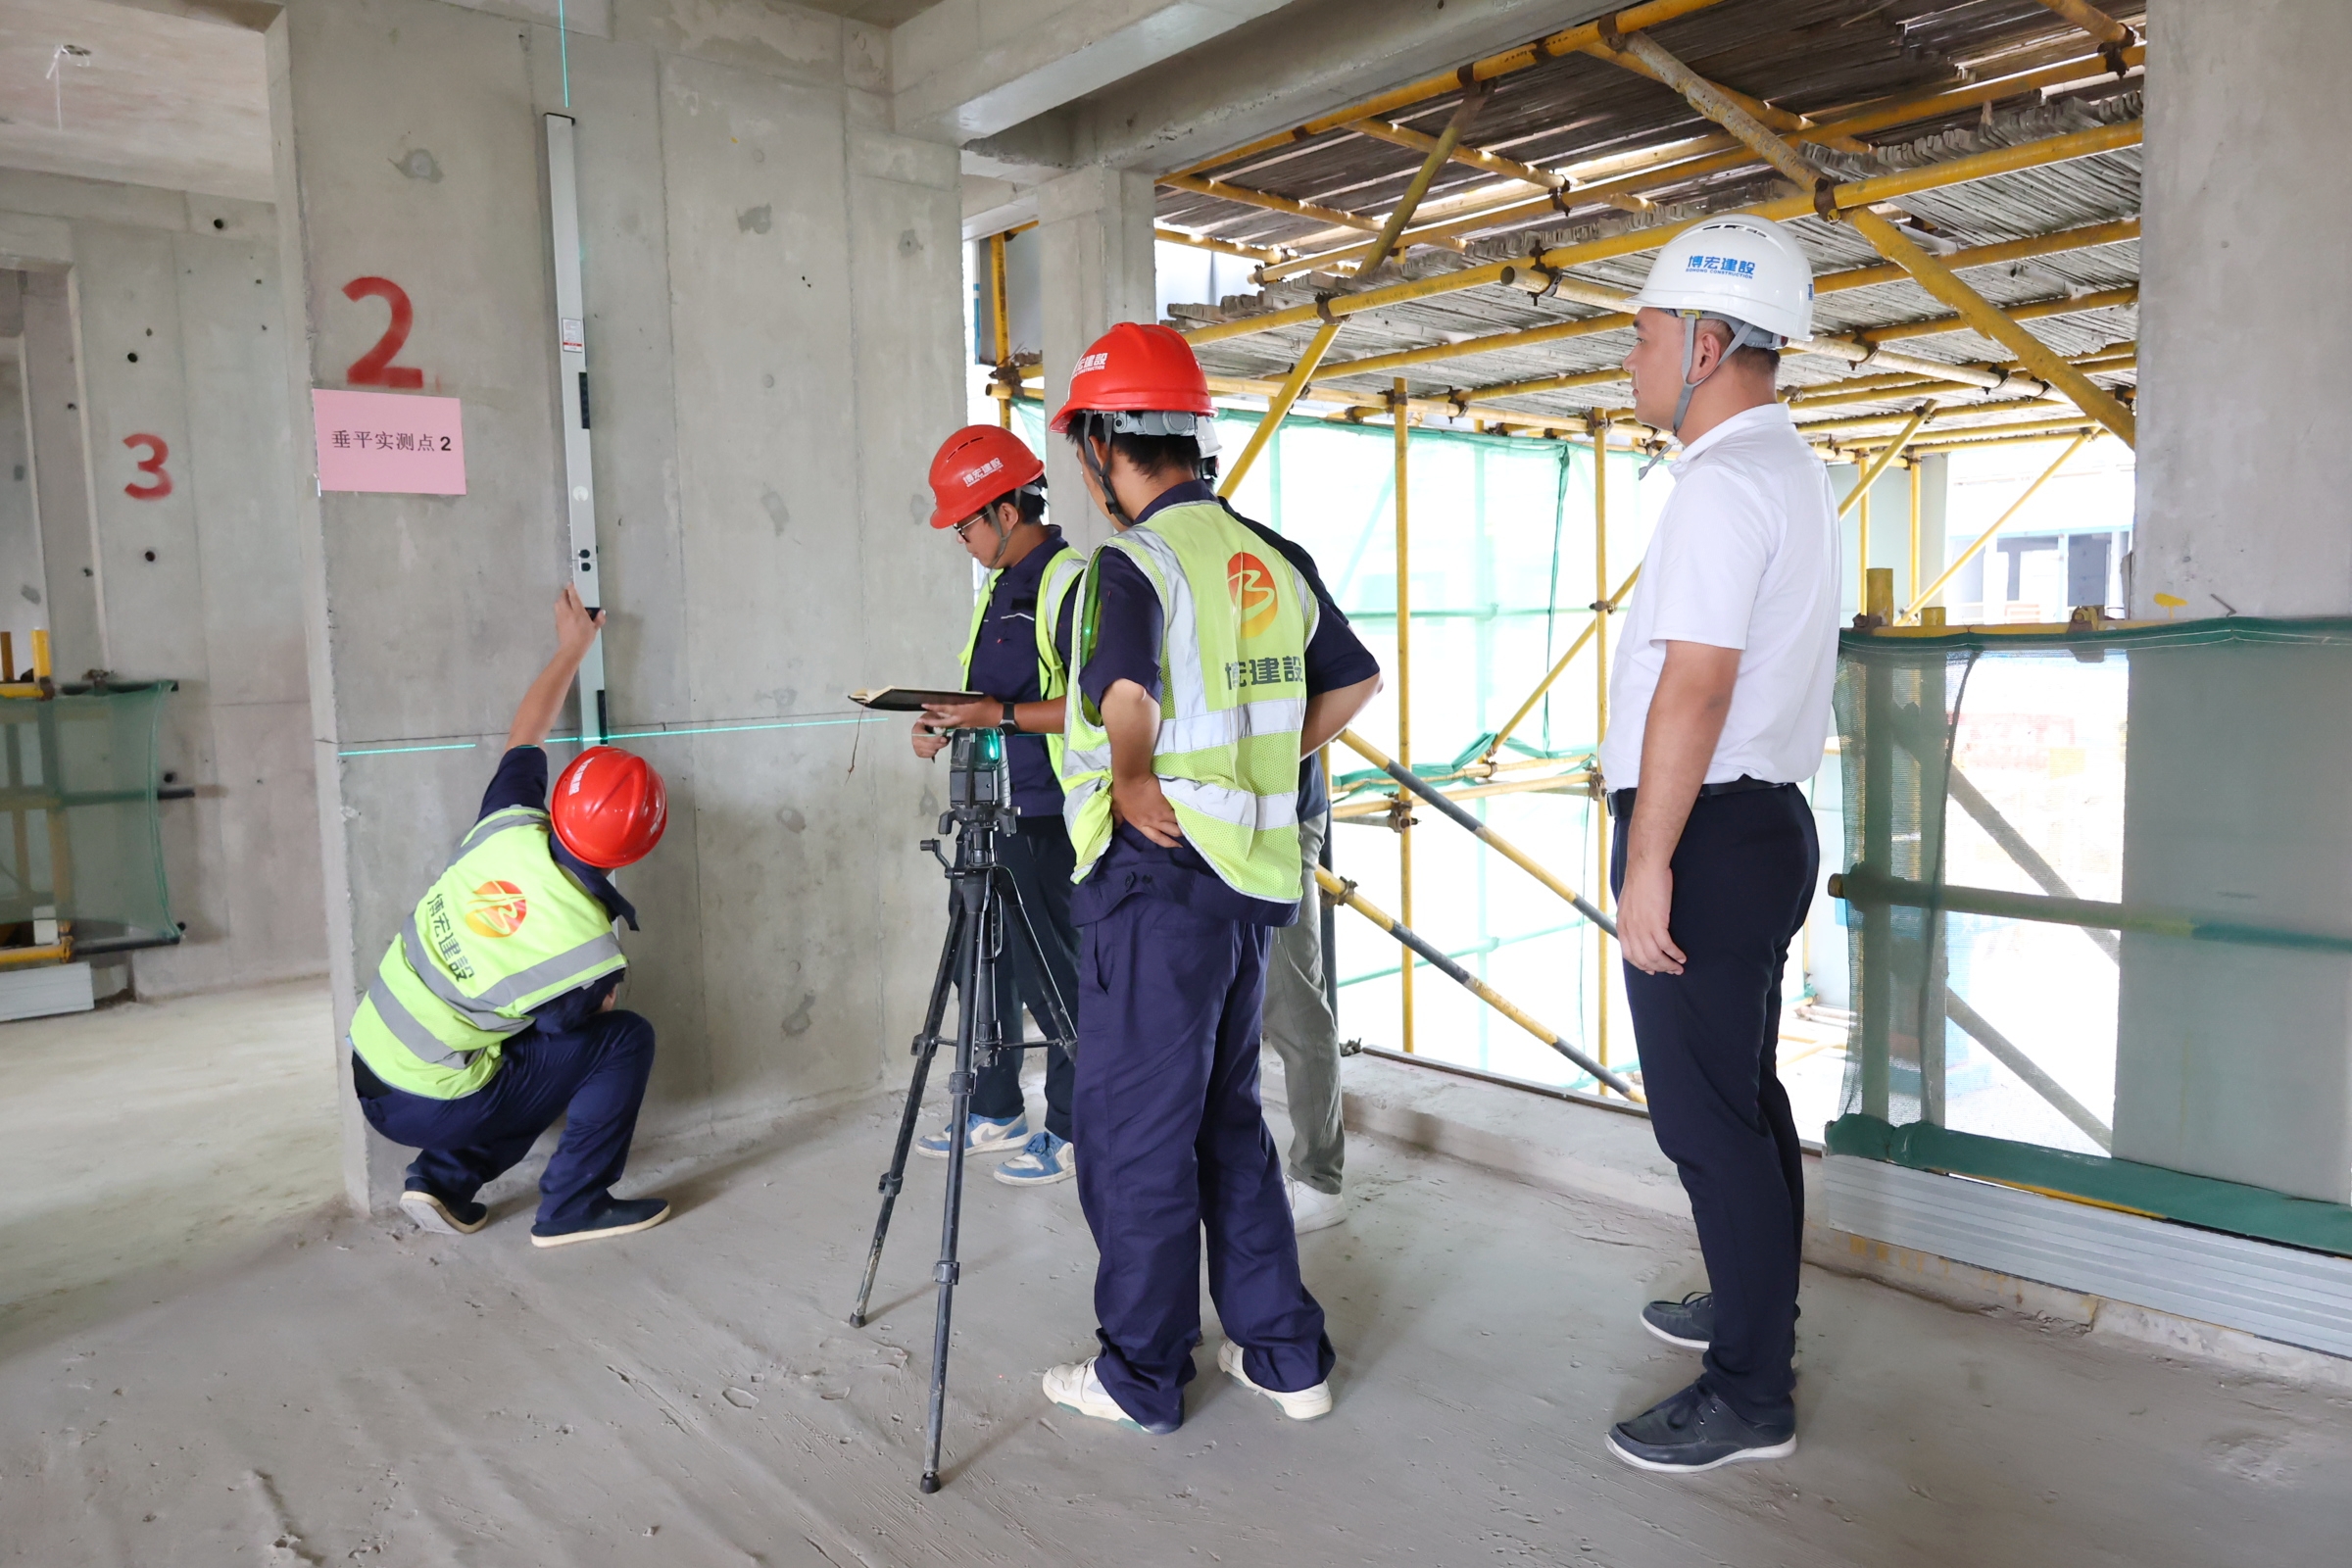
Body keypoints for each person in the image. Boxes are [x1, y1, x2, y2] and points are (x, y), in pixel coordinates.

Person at [1038, 322, 1382, 1436]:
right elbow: (1354, 681)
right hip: (1247, 888)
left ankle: (1140, 1373)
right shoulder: (1272, 556)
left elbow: (1125, 693)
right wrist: (1260, 761)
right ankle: (1282, 1355)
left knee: (1135, 1132)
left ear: (1102, 443)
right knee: (1226, 1119)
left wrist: (1137, 776)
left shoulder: (1133, 564)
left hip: (1158, 882)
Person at [1597, 215, 1838, 1472]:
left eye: (1642, 336)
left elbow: (1694, 688)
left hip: (1704, 833)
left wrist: (1649, 861)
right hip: (1762, 824)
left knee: (1704, 1122)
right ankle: (1755, 1313)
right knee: (1745, 1098)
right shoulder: (1787, 468)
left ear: (1702, 344)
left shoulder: (1720, 486)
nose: (1629, 359)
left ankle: (1749, 1392)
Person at [349, 585, 674, 1249]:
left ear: (559, 802)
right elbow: (566, 1026)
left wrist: (572, 648)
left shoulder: (507, 824)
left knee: (512, 1061)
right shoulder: (589, 952)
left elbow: (527, 732)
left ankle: (444, 1180)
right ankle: (574, 1206)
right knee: (620, 1041)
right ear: (638, 851)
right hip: (430, 1101)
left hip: (368, 1059)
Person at [906, 424, 1086, 1188]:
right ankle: (996, 1106)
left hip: (1048, 818)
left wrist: (995, 716)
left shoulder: (1069, 584)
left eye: (966, 526)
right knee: (982, 966)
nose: (962, 541)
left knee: (1057, 981)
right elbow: (995, 698)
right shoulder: (1001, 587)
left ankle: (1074, 1129)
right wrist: (945, 721)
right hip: (990, 809)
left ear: (1008, 511)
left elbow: (1097, 708)